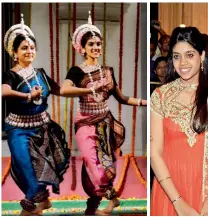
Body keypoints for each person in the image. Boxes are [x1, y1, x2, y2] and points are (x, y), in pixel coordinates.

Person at [60, 11, 147, 215]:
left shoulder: (108, 72)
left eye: (98, 44)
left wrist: (145, 102)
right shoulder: (76, 71)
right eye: (91, 44)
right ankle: (113, 199)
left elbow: (122, 98)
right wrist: (89, 90)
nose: (96, 47)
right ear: (82, 47)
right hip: (84, 124)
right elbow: (64, 90)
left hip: (105, 124)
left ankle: (95, 204)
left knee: (105, 166)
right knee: (93, 164)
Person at [150, 26, 208, 216]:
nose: (182, 62)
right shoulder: (161, 95)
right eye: (176, 56)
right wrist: (178, 203)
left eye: (189, 55)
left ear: (202, 55)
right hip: (170, 189)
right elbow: (154, 153)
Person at [2, 14, 70, 215]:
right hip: (18, 130)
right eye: (24, 48)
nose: (29, 51)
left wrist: (88, 88)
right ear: (14, 53)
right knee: (26, 169)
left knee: (41, 172)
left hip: (42, 130)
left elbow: (62, 90)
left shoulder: (41, 74)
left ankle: (36, 206)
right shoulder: (11, 75)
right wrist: (28, 95)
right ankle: (38, 203)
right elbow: (3, 92)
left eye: (31, 47)